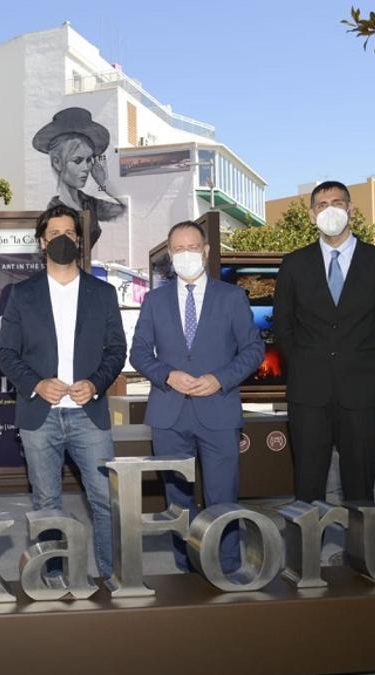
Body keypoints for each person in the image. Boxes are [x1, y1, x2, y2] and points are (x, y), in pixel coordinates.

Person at [0, 204, 127, 579]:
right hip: (41, 416)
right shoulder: (21, 294)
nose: (62, 240)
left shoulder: (102, 293)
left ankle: (112, 576)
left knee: (105, 499)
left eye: (69, 234)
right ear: (42, 242)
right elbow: (6, 351)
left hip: (89, 414)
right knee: (47, 502)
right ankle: (52, 577)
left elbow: (117, 349)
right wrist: (37, 383)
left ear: (80, 241)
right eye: (54, 235)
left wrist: (96, 383)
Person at [130, 221, 265, 573]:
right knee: (178, 503)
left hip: (218, 411)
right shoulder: (154, 300)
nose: (186, 255)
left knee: (223, 498)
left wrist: (220, 379)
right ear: (170, 257)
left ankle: (229, 568)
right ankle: (187, 569)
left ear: (205, 251)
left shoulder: (232, 297)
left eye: (193, 248)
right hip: (168, 416)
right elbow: (139, 353)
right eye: (178, 249)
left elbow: (253, 350)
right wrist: (167, 375)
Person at [273, 181, 375, 504]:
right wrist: (305, 363)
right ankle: (306, 552)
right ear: (311, 214)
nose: (329, 209)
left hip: (361, 389)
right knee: (307, 481)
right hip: (308, 391)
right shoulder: (294, 264)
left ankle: (361, 552)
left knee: (360, 483)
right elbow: (283, 326)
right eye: (321, 204)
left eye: (337, 202)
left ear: (350, 209)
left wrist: (366, 363)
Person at [32, 107, 127, 248]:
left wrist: (104, 182)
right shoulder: (54, 209)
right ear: (57, 163)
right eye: (77, 161)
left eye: (89, 160)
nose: (86, 168)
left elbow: (126, 208)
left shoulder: (89, 203)